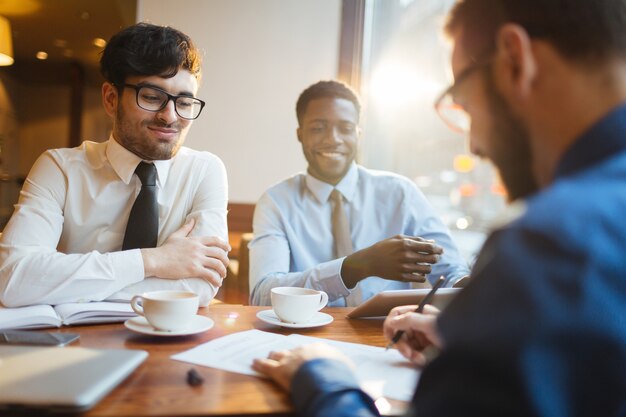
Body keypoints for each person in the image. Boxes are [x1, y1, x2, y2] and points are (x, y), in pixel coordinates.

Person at [252, 0, 626, 415]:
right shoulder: (276, 200)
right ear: (300, 135)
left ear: (516, 61)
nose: (474, 145)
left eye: (462, 103)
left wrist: (321, 378)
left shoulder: (550, 242)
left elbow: (455, 274)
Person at [0, 23, 230, 308]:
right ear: (111, 99)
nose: (170, 116)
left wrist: (67, 287)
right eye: (151, 97)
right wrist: (153, 261)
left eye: (184, 102)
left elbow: (200, 285)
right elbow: (12, 280)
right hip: (71, 343)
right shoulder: (59, 168)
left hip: (170, 338)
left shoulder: (205, 171)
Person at [249, 80, 469, 307]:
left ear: (358, 134)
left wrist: (470, 285)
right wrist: (355, 266)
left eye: (345, 128)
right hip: (303, 334)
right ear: (300, 134)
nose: (333, 139)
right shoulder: (275, 202)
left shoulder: (400, 193)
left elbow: (450, 271)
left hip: (384, 332)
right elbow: (262, 295)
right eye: (318, 128)